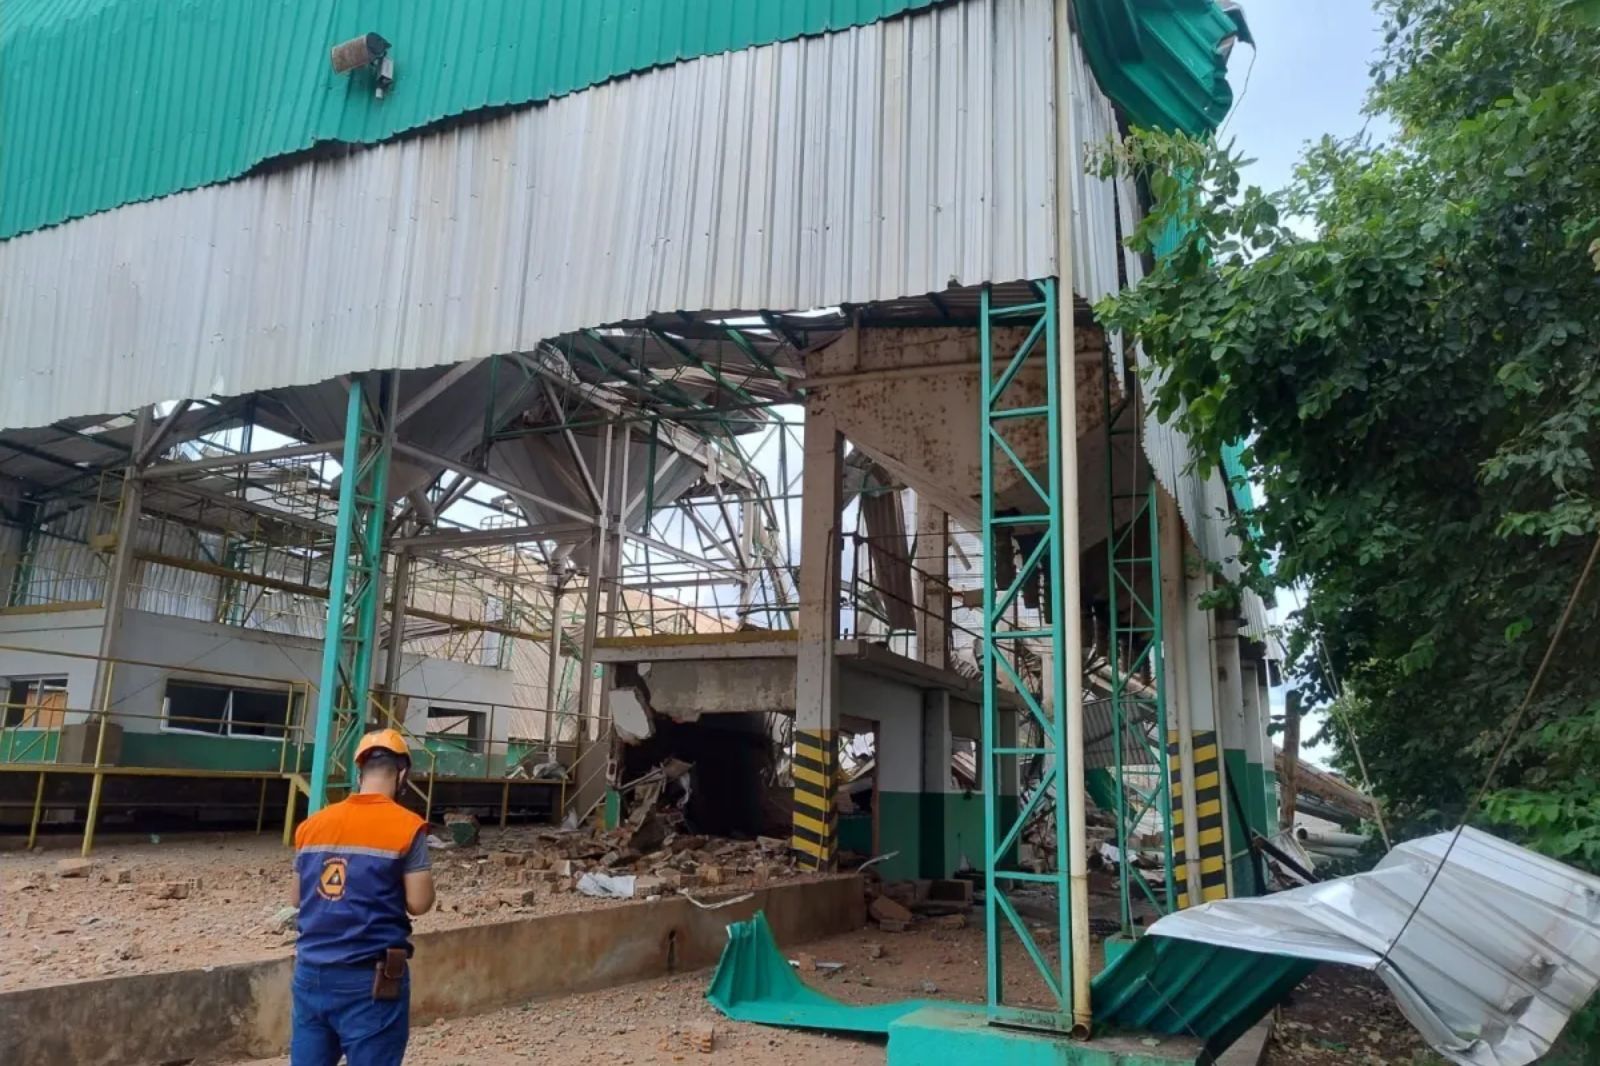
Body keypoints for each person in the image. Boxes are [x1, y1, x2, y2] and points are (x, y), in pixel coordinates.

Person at [290, 728, 436, 1065]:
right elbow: (419, 903)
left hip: (310, 973)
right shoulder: (407, 827)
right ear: (402, 774)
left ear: (359, 772)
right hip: (370, 980)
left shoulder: (312, 825)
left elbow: (297, 898)